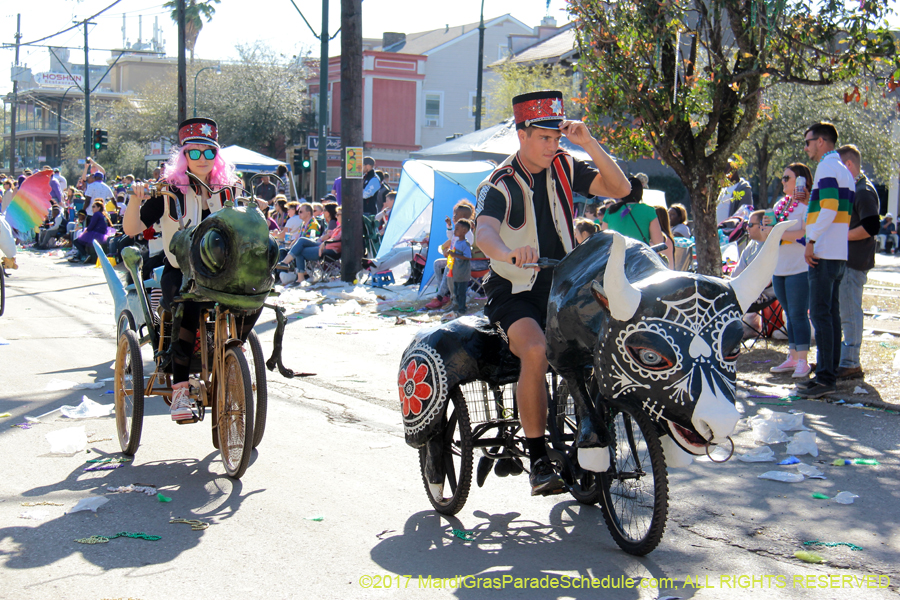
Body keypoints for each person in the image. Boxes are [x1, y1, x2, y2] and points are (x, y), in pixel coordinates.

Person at [475, 90, 630, 496]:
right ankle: (539, 458)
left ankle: (591, 433)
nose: (553, 145)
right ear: (522, 134)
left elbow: (621, 188)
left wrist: (589, 143)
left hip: (563, 281)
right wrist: (509, 252)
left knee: (606, 343)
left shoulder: (565, 164)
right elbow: (484, 232)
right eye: (544, 137)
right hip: (515, 287)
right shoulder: (499, 183)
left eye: (557, 136)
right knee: (536, 350)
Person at [124, 117, 258, 421]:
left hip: (223, 272)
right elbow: (133, 227)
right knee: (187, 307)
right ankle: (181, 391)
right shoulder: (168, 191)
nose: (201, 159)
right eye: (193, 153)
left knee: (258, 295)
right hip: (181, 270)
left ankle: (233, 349)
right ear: (183, 157)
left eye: (208, 152)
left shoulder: (230, 191)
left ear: (217, 156)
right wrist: (135, 199)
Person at [796, 122, 855, 399]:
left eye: (807, 142)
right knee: (830, 316)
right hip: (837, 253)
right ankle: (827, 374)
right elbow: (833, 207)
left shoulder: (827, 167)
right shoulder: (844, 170)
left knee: (821, 315)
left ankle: (825, 378)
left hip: (823, 251)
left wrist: (811, 239)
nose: (806, 147)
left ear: (821, 141)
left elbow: (829, 208)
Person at [765, 163, 814, 378]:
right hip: (780, 268)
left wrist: (777, 233)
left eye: (787, 178)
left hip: (799, 268)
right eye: (782, 178)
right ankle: (793, 356)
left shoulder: (809, 205)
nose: (783, 181)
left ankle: (803, 360)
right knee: (788, 314)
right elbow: (772, 234)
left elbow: (805, 234)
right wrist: (767, 229)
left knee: (798, 314)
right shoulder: (780, 204)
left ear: (801, 180)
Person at [836, 145, 881, 380]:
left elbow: (872, 226)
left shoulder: (863, 190)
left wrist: (840, 234)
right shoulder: (855, 187)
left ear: (849, 165)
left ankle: (851, 361)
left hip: (854, 261)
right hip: (847, 259)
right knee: (844, 311)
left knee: (850, 312)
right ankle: (843, 359)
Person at [424, 201, 476, 310]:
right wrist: (449, 226)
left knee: (449, 267)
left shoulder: (468, 233)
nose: (453, 217)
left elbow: (466, 249)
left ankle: (439, 297)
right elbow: (450, 236)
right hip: (455, 260)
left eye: (455, 215)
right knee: (438, 264)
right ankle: (444, 294)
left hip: (463, 263)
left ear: (463, 217)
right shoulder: (459, 230)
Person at [602, 176, 665, 249]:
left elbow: (604, 239)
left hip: (615, 256)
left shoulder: (610, 210)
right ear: (640, 193)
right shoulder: (649, 210)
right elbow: (658, 242)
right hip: (639, 256)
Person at [446, 219, 473, 319]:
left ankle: (462, 309)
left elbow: (468, 256)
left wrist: (455, 254)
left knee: (461, 292)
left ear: (464, 231)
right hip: (457, 270)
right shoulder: (457, 242)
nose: (455, 231)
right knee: (456, 291)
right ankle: (458, 306)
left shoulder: (465, 244)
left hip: (463, 272)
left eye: (457, 229)